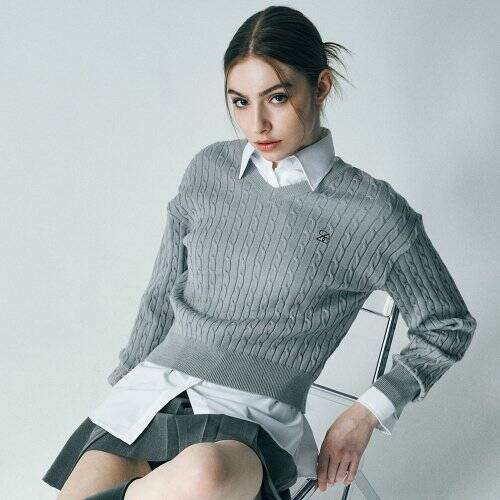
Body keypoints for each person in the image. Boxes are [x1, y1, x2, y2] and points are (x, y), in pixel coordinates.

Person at [42, 5, 477, 500]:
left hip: (252, 422)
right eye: (240, 102)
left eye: (277, 97)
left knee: (204, 473)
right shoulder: (209, 169)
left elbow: (448, 324)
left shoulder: (372, 212)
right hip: (150, 397)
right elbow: (161, 294)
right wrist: (124, 388)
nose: (258, 123)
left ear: (321, 87)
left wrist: (365, 413)